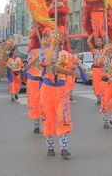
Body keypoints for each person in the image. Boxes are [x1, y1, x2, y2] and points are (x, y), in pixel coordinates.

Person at [40, 29, 75, 157]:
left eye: (58, 35)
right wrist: (52, 48)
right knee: (48, 117)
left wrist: (60, 69)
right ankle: (50, 147)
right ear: (48, 39)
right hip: (47, 88)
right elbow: (47, 63)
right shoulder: (44, 52)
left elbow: (72, 72)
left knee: (63, 116)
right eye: (52, 35)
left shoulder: (67, 54)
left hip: (61, 88)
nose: (56, 37)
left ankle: (64, 147)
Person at [27, 31, 50, 134]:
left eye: (47, 38)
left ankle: (46, 124)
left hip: (46, 81)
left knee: (46, 103)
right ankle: (36, 125)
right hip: (34, 80)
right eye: (44, 38)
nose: (45, 40)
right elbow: (30, 63)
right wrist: (39, 55)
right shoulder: (34, 51)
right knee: (35, 102)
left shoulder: (52, 51)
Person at [86, 34, 105, 105]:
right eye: (97, 41)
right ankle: (98, 99)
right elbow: (88, 41)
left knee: (104, 84)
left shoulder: (105, 49)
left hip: (103, 69)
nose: (99, 42)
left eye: (100, 41)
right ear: (96, 43)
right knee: (96, 84)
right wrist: (93, 33)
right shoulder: (94, 50)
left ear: (102, 42)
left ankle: (104, 98)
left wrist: (105, 33)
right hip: (96, 69)